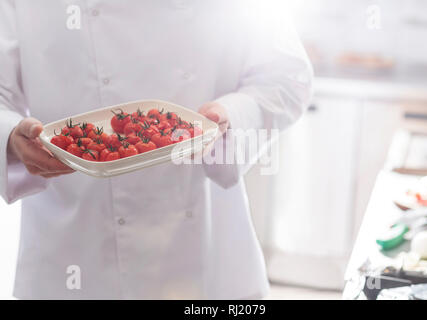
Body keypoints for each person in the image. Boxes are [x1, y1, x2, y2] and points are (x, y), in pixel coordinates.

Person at [0, 0, 312, 299]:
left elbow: (286, 77)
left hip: (203, 248)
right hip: (74, 247)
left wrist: (231, 115)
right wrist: (12, 134)